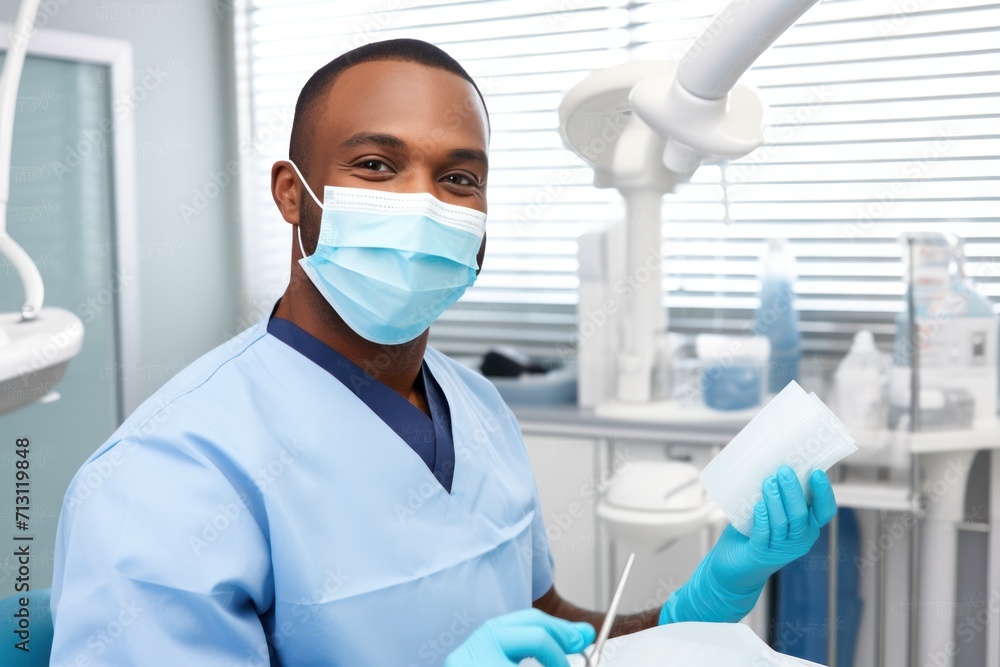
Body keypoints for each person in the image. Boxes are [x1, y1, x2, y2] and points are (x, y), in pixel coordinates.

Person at [49, 38, 837, 666]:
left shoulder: (480, 409)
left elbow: (552, 630)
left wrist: (709, 593)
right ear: (292, 192)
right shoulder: (166, 476)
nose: (423, 203)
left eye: (458, 178)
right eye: (376, 166)